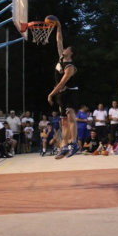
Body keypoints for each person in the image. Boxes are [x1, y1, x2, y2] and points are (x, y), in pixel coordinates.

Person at [47, 20, 80, 159]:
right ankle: (65, 146)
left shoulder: (70, 67)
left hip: (70, 92)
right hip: (61, 94)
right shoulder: (61, 59)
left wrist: (50, 95)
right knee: (63, 122)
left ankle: (74, 144)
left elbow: (61, 84)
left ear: (70, 53)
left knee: (71, 118)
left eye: (67, 49)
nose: (64, 49)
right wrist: (59, 26)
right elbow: (58, 40)